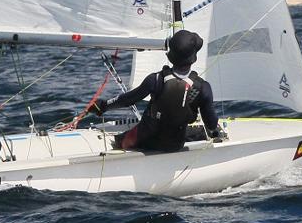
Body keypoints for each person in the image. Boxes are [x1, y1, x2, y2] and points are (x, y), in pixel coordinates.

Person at [88, 29, 227, 152]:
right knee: (191, 132)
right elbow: (211, 123)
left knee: (121, 140)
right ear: (194, 58)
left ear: (170, 56)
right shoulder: (203, 88)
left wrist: (102, 106)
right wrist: (215, 131)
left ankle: (120, 144)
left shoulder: (155, 80)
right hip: (174, 145)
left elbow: (127, 100)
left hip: (145, 140)